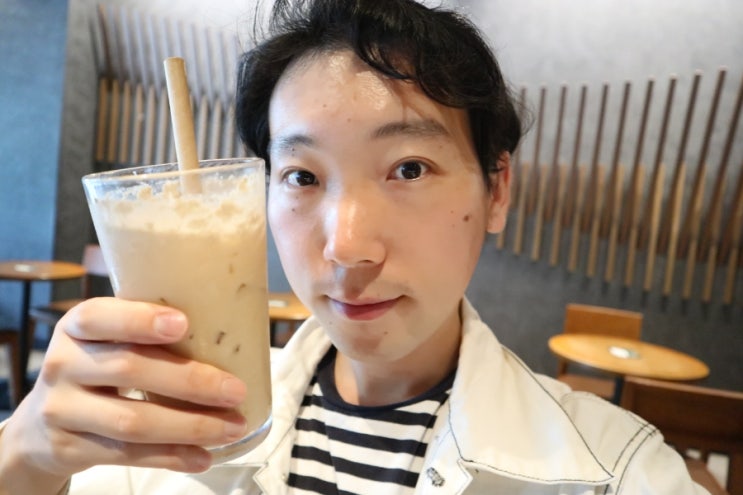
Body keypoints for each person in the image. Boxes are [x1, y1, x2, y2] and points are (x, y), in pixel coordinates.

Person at [0, 0, 706, 493]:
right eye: (302, 176)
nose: (346, 248)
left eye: (409, 168)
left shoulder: (615, 471)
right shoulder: (161, 434)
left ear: (497, 190)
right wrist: (25, 458)